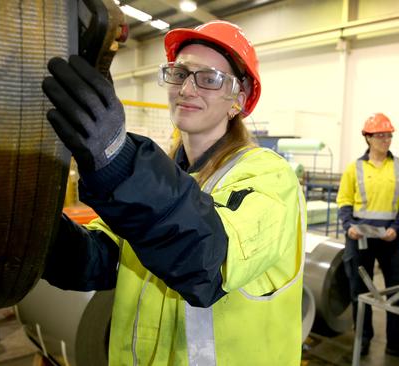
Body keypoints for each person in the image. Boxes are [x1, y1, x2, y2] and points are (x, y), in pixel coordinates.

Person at [41, 20, 305, 365]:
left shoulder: (270, 176)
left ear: (238, 99)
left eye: (209, 78)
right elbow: (101, 259)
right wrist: (33, 232)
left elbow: (208, 258)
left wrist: (119, 161)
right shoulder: (168, 179)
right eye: (179, 73)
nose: (187, 89)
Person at [336, 113, 399, 362]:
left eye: (388, 135)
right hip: (359, 238)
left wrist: (397, 227)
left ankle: (397, 343)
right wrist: (349, 224)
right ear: (368, 138)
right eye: (380, 135)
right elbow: (344, 201)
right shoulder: (355, 168)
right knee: (359, 291)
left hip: (391, 238)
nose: (385, 140)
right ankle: (363, 339)